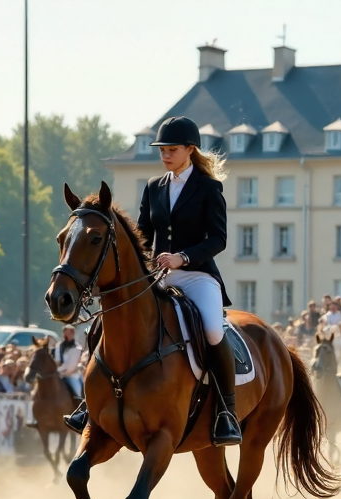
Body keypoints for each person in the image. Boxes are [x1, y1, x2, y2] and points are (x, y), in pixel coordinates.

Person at [63, 116, 241, 446]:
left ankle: (226, 412)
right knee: (101, 326)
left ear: (190, 149)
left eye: (172, 150)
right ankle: (90, 403)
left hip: (197, 275)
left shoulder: (208, 188)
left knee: (214, 331)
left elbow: (218, 238)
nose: (165, 155)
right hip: (158, 276)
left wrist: (182, 257)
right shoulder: (153, 186)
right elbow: (142, 236)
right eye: (162, 150)